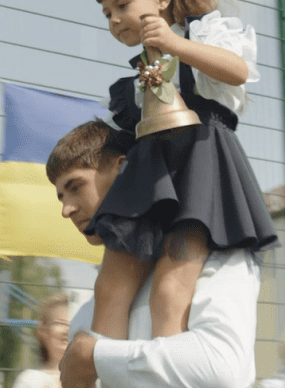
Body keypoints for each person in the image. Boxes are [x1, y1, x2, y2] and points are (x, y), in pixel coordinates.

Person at [86, 0, 278, 342]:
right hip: (149, 172)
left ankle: (163, 371)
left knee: (170, 290)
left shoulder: (203, 35)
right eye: (106, 13)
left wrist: (175, 43)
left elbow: (238, 70)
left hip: (200, 165)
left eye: (122, 5)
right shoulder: (134, 77)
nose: (114, 19)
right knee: (109, 287)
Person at [47, 119, 261, 388]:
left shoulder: (221, 259)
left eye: (75, 187)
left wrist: (95, 355)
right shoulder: (91, 307)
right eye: (61, 197)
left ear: (123, 169)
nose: (66, 210)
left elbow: (222, 366)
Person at [12, 293, 71, 388]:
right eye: (60, 323)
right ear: (43, 331)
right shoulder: (30, 380)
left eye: (72, 324)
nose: (67, 330)